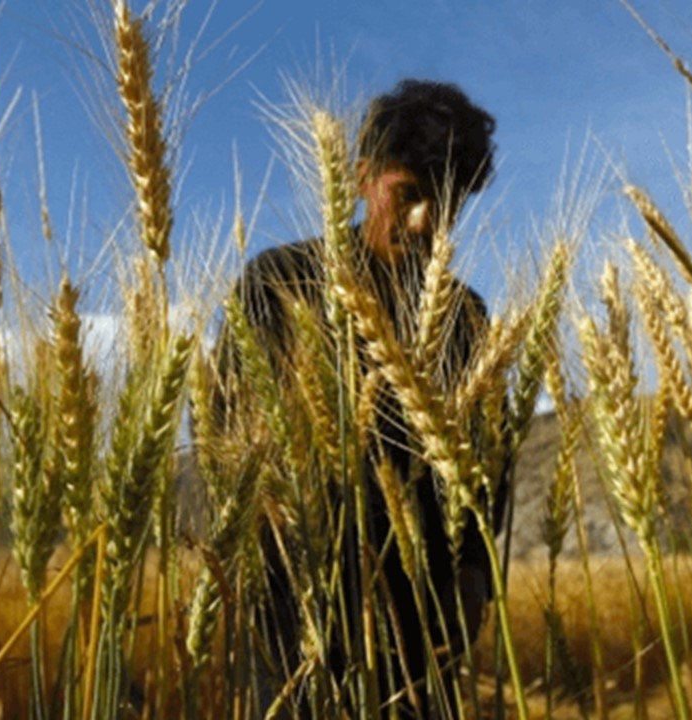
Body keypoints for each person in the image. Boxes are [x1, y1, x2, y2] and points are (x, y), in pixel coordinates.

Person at [211, 79, 505, 718]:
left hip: (421, 623)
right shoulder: (279, 282)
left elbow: (491, 461)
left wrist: (476, 573)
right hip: (297, 613)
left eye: (447, 203)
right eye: (410, 194)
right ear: (362, 177)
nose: (427, 221)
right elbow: (226, 434)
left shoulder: (466, 317)